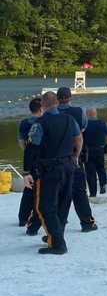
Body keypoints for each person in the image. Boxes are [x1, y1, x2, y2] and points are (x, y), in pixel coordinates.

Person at [22, 91, 82, 255]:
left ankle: (57, 243)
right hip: (69, 166)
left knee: (44, 206)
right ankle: (55, 236)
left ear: (42, 105)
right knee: (63, 202)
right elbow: (78, 139)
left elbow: (32, 148)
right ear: (56, 102)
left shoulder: (40, 123)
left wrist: (27, 171)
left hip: (50, 169)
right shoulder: (70, 119)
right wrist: (75, 157)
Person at [56, 87, 97, 232]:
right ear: (70, 97)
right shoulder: (79, 112)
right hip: (74, 156)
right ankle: (87, 223)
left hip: (55, 158)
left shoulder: (51, 114)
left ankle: (58, 225)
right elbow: (83, 129)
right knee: (79, 192)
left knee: (58, 193)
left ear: (57, 98)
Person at [17, 97, 42, 227]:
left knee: (28, 188)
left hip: (29, 158)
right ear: (41, 108)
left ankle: (23, 217)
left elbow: (21, 141)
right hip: (42, 159)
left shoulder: (24, 122)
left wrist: (27, 151)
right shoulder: (42, 121)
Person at [84, 107, 107, 197]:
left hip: (88, 151)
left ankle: (93, 193)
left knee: (90, 172)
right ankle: (103, 184)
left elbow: (79, 137)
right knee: (101, 168)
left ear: (87, 114)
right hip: (100, 150)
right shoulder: (104, 124)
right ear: (96, 114)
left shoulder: (84, 124)